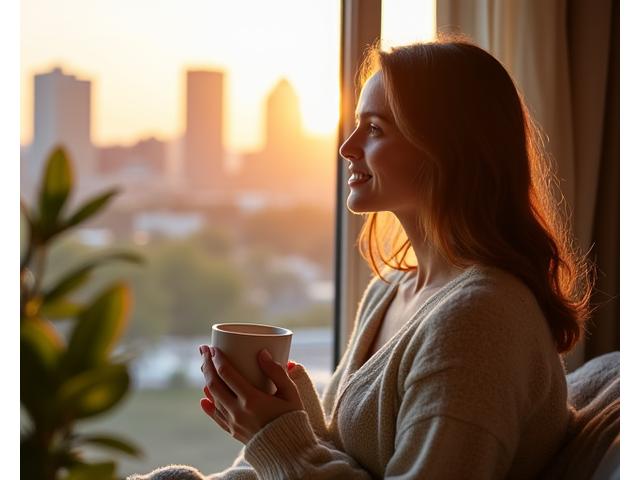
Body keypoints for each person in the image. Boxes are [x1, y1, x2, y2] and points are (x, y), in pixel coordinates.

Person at [129, 37, 592, 480]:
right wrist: (285, 416)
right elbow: (339, 457)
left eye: (374, 129)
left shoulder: (480, 319)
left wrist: (274, 435)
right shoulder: (389, 290)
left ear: (448, 149)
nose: (346, 147)